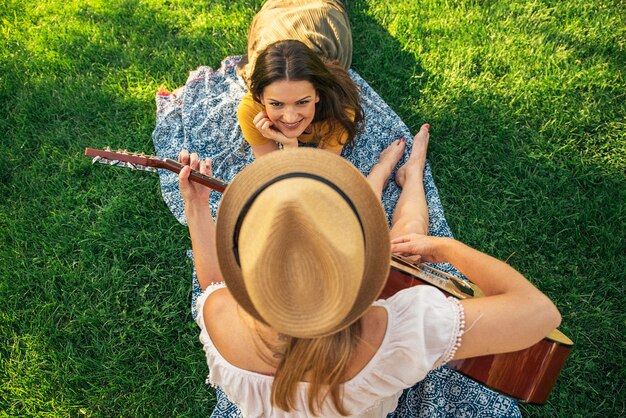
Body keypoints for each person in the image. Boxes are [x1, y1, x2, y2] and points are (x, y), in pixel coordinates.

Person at [177, 126, 562, 417]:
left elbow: (213, 284)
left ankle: (395, 178)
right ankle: (411, 179)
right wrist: (446, 248)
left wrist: (197, 210)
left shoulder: (219, 316)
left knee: (406, 244)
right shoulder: (403, 332)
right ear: (357, 269)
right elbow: (540, 313)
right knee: (410, 237)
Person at [236, 1, 364, 158]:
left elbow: (322, 174)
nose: (290, 118)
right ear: (260, 97)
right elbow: (275, 175)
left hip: (321, 13)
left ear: (318, 93)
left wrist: (289, 148)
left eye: (302, 102)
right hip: (275, 17)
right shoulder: (251, 110)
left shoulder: (340, 109)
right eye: (276, 104)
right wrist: (290, 146)